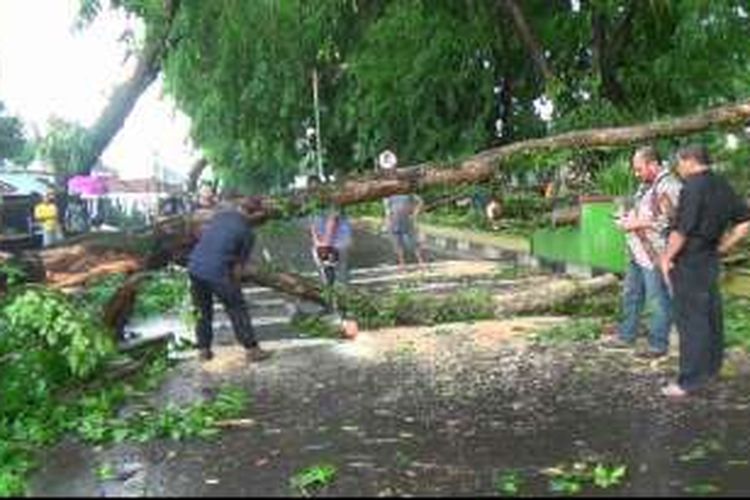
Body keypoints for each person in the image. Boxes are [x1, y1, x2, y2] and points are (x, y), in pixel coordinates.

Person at [659, 145, 750, 398]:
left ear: (690, 161)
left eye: (679, 163)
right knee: (710, 315)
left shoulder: (693, 187)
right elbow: (745, 222)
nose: (678, 168)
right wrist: (723, 247)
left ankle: (689, 381)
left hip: (689, 260)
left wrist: (666, 257)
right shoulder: (722, 184)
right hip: (710, 257)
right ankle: (710, 371)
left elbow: (682, 230)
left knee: (691, 320)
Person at [606, 146, 682, 359]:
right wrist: (626, 218)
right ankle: (626, 335)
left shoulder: (669, 186)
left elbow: (674, 221)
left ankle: (658, 344)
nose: (637, 173)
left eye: (640, 169)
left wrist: (635, 223)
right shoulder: (647, 185)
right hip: (637, 251)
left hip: (656, 254)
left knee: (657, 298)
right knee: (632, 294)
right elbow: (644, 211)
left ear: (653, 164)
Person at [187, 196, 272, 362]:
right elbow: (238, 269)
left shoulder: (221, 216)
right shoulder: (247, 233)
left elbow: (203, 234)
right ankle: (252, 349)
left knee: (202, 311)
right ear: (253, 215)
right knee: (236, 307)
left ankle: (203, 350)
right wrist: (236, 286)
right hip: (217, 270)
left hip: (195, 267)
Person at [307, 176, 353, 288]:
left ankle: (342, 299)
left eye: (317, 188)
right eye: (311, 189)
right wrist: (317, 242)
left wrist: (325, 244)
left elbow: (332, 221)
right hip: (323, 243)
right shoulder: (310, 203)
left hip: (338, 241)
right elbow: (312, 225)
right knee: (326, 273)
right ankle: (331, 298)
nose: (315, 191)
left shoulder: (332, 199)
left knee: (340, 274)